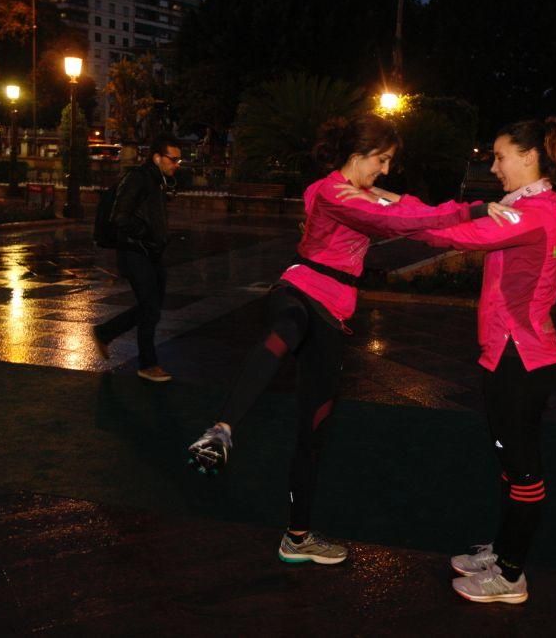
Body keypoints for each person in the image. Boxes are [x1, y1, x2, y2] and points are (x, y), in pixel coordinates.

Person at [187, 114, 511, 565]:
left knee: (313, 429)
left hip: (334, 313)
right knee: (286, 327)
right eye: (381, 160)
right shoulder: (332, 191)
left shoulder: (364, 194)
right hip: (300, 287)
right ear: (357, 153)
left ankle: (297, 537)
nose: (385, 170)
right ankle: (220, 430)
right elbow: (396, 222)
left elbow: (413, 220)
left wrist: (477, 235)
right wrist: (469, 208)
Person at [407, 118, 556, 604]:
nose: (494, 166)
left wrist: (393, 214)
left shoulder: (532, 215)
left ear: (529, 158)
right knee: (511, 464)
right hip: (512, 352)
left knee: (523, 470)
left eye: (501, 156)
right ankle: (503, 552)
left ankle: (511, 576)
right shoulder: (530, 208)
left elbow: (458, 236)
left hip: (519, 358)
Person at [91, 134, 182, 382]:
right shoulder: (138, 178)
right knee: (150, 308)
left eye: (178, 160)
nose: (176, 164)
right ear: (156, 157)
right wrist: (147, 234)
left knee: (150, 307)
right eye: (172, 159)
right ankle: (148, 364)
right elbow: (120, 217)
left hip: (150, 252)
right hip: (135, 253)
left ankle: (105, 332)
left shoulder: (157, 180)